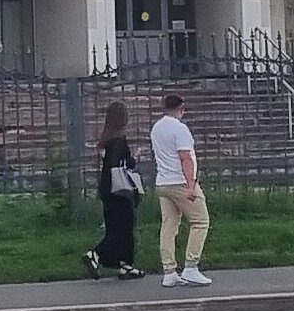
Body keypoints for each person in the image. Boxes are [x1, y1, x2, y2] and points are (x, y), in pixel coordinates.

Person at [148, 92, 209, 287]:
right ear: (181, 109)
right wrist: (191, 185)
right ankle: (191, 266)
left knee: (169, 226)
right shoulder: (180, 129)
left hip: (163, 182)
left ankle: (169, 271)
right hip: (180, 182)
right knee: (200, 221)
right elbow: (186, 158)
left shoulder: (156, 128)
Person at [85, 102, 144, 280]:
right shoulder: (119, 140)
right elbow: (118, 163)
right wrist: (134, 158)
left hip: (108, 189)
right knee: (123, 228)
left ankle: (124, 264)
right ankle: (96, 254)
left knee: (116, 227)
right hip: (119, 189)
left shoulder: (107, 139)